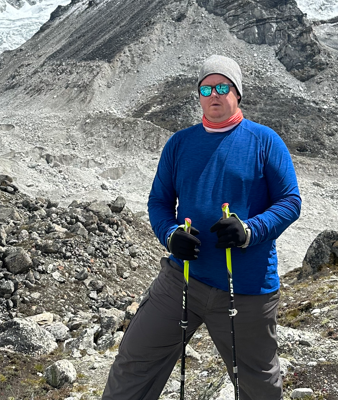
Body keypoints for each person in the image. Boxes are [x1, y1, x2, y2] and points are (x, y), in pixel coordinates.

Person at [102, 55, 301, 400]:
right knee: (133, 362)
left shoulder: (265, 141)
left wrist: (250, 230)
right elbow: (159, 203)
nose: (214, 94)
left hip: (247, 288)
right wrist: (169, 235)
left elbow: (290, 201)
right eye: (206, 88)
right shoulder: (179, 144)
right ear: (198, 96)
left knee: (258, 382)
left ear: (237, 93)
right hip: (181, 280)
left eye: (222, 86)